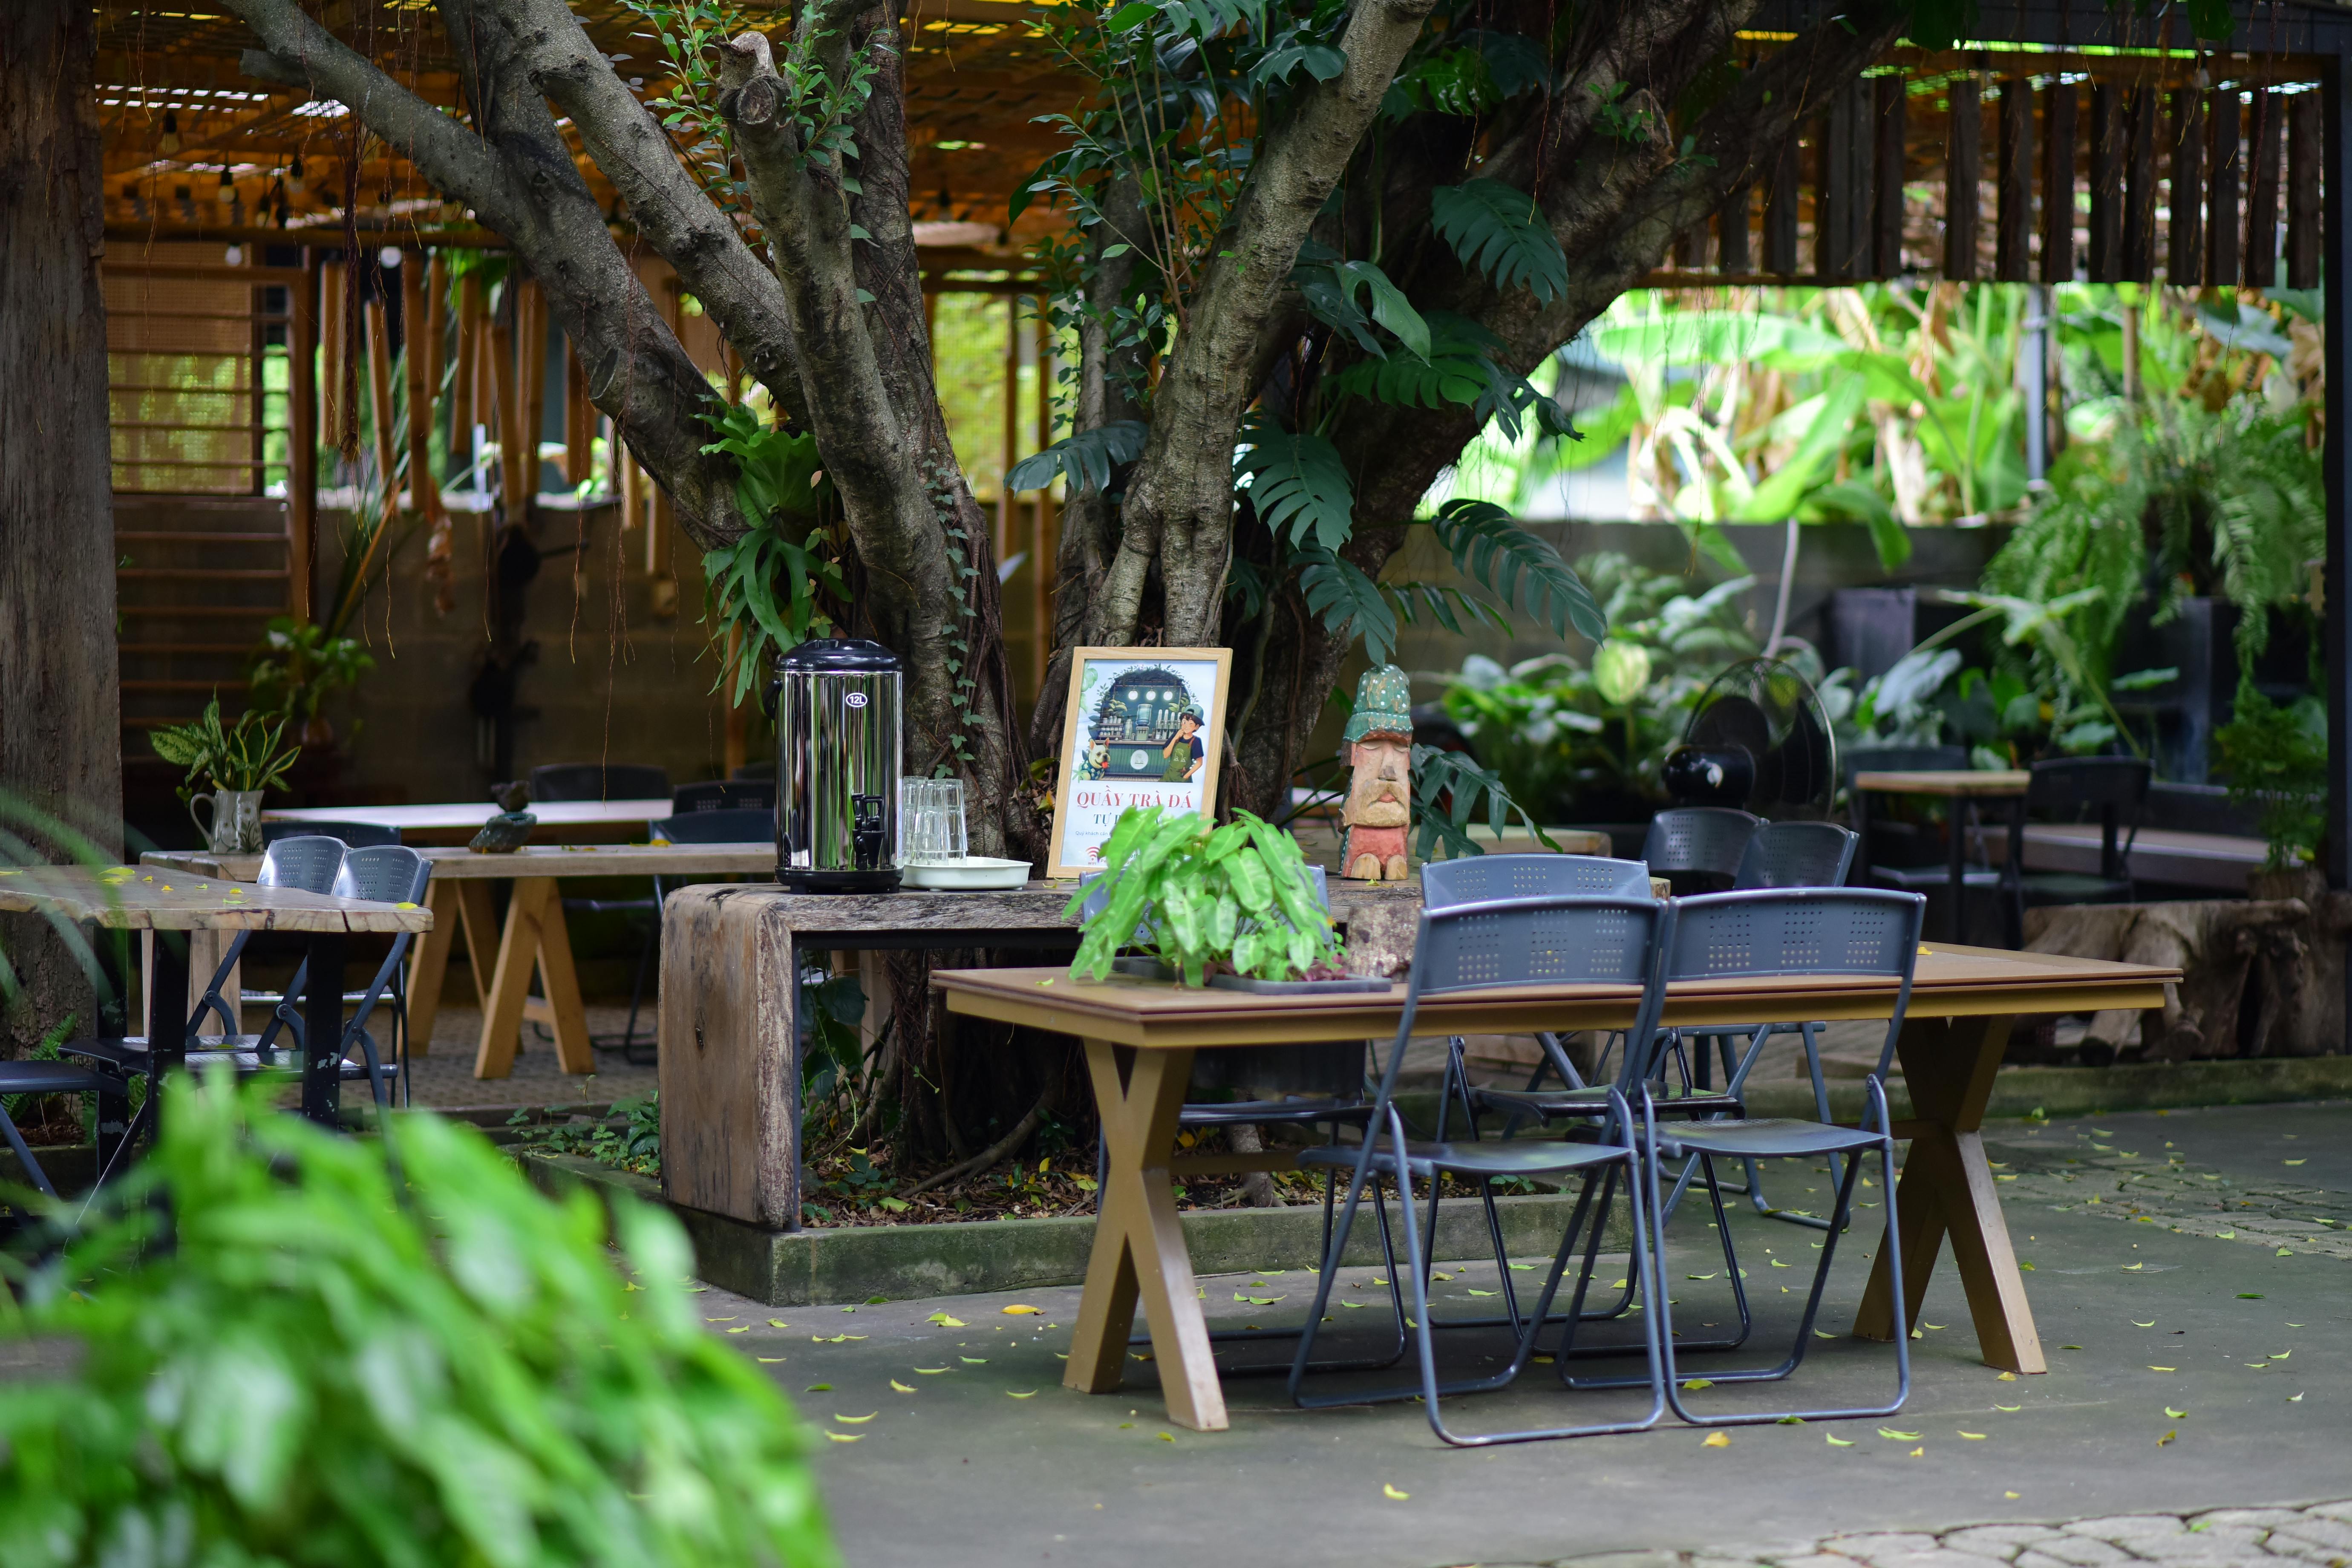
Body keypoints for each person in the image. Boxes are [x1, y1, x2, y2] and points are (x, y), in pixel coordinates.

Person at [1159, 709, 1205, 783]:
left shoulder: (1196, 741)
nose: (1186, 726)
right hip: (1169, 775)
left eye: (1191, 724)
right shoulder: (1176, 735)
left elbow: (1199, 763)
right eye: (1184, 722)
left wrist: (1186, 777)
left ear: (1197, 727)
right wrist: (1175, 739)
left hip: (1183, 776)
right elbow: (1165, 755)